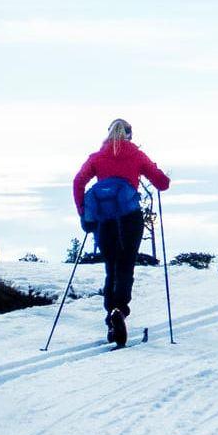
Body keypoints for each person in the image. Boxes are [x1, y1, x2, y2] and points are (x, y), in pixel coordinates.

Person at [73, 117, 170, 347]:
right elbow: (162, 183)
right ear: (128, 134)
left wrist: (83, 213)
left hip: (104, 221)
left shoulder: (96, 157)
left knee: (111, 268)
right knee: (126, 266)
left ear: (108, 134)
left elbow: (78, 182)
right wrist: (161, 177)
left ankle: (111, 318)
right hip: (130, 219)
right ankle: (120, 310)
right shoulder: (136, 155)